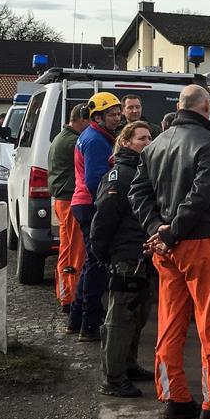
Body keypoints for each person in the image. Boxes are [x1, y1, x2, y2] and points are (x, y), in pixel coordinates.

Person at [129, 84, 210, 419]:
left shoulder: (155, 144)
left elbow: (138, 191)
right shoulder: (207, 144)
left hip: (165, 247)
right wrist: (172, 230)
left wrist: (159, 228)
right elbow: (202, 194)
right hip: (197, 242)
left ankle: (175, 398)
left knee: (170, 323)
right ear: (204, 109)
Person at [91, 121, 156, 398]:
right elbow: (104, 217)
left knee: (137, 315)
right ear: (126, 142)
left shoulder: (142, 170)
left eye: (150, 137)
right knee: (119, 319)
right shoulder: (121, 175)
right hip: (125, 255)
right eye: (142, 138)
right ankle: (113, 378)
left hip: (141, 254)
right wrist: (102, 252)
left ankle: (128, 366)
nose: (148, 142)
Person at [69, 92, 123, 341]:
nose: (117, 117)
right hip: (91, 205)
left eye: (117, 113)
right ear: (97, 117)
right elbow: (94, 181)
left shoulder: (92, 136)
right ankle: (89, 325)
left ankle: (77, 319)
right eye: (111, 114)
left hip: (84, 204)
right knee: (97, 266)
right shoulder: (96, 141)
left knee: (91, 264)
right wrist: (108, 207)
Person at [48, 104, 89, 311]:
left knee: (66, 249)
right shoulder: (74, 142)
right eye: (90, 121)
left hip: (63, 201)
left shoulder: (61, 137)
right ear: (82, 120)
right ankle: (73, 298)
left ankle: (65, 294)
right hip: (71, 200)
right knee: (76, 252)